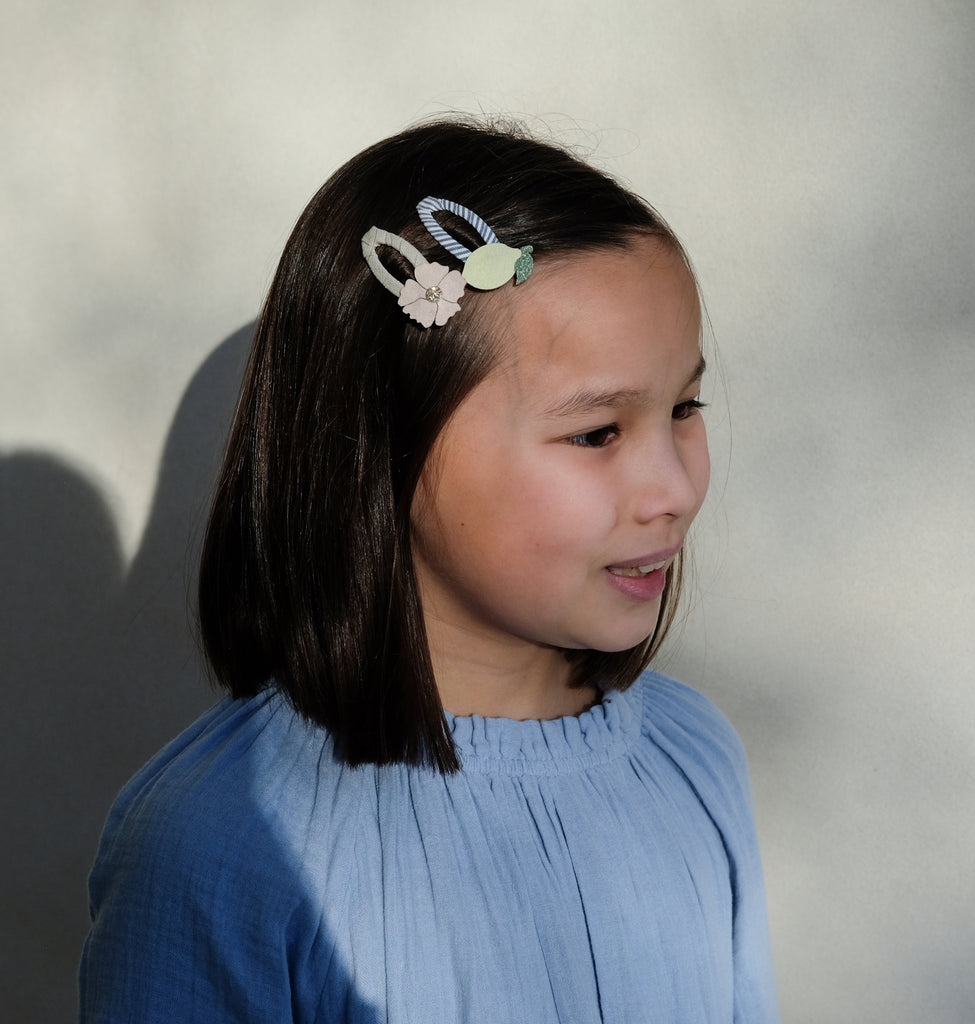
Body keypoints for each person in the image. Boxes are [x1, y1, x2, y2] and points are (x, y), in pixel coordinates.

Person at [79, 118, 780, 1023]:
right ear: (381, 446)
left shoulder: (694, 756)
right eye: (597, 432)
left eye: (685, 407)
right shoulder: (219, 845)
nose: (676, 489)